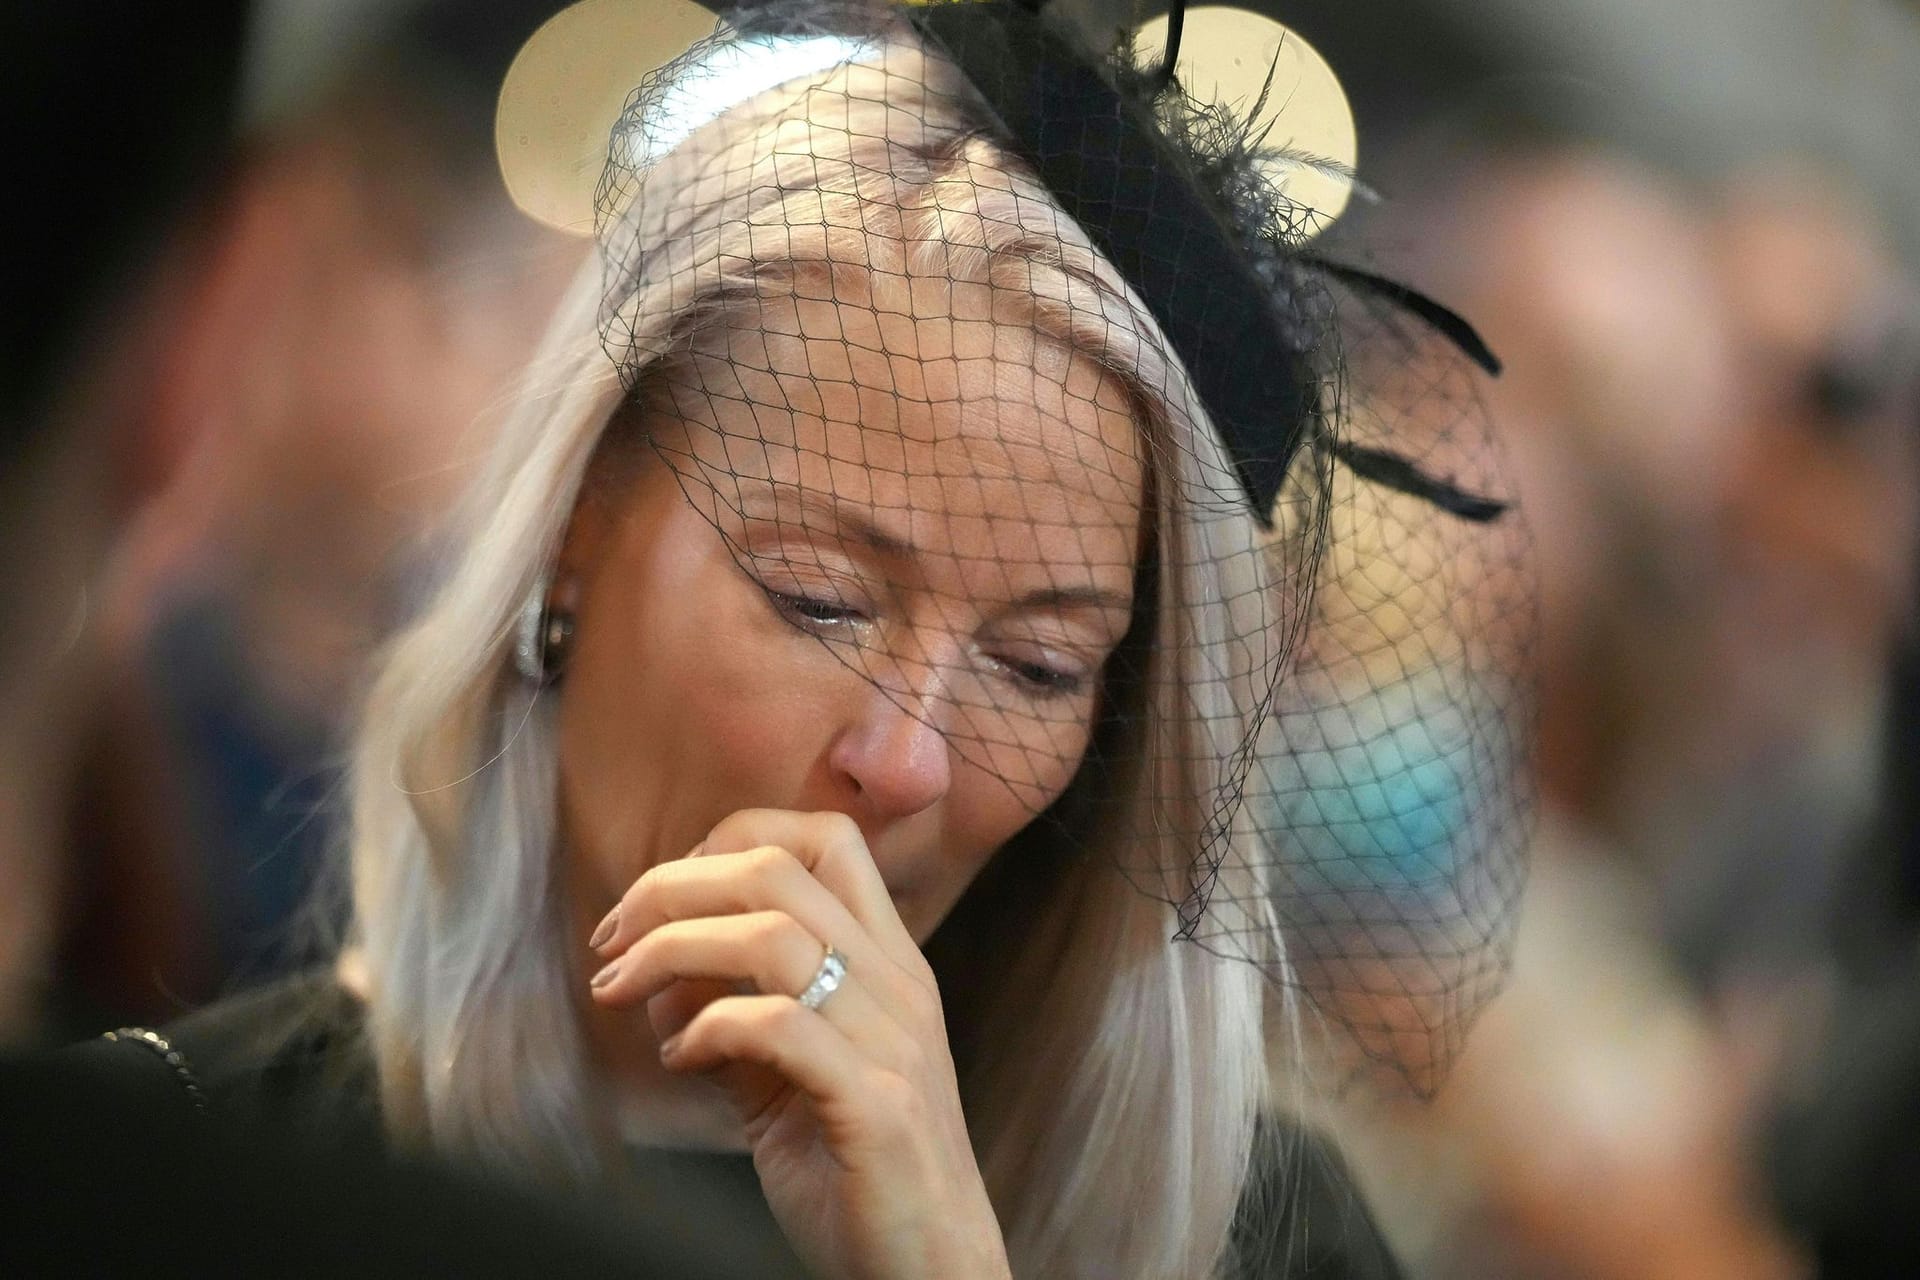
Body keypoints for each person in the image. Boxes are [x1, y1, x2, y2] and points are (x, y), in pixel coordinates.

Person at [89, 2, 1527, 1276]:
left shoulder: (1257, 1240)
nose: (904, 759)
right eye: (821, 599)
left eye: (1039, 667)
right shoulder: (170, 1170)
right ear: (575, 528)